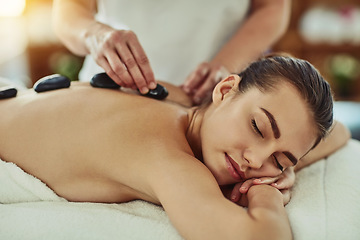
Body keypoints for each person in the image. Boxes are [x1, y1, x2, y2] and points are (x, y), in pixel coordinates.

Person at [0, 55, 349, 239]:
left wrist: (285, 168)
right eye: (258, 128)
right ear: (225, 90)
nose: (254, 161)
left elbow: (340, 132)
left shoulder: (176, 98)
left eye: (279, 159)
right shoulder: (166, 159)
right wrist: (268, 192)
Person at [52, 0, 291, 104]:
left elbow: (272, 7)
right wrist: (94, 34)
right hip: (108, 90)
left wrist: (225, 66)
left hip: (204, 99)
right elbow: (69, 8)